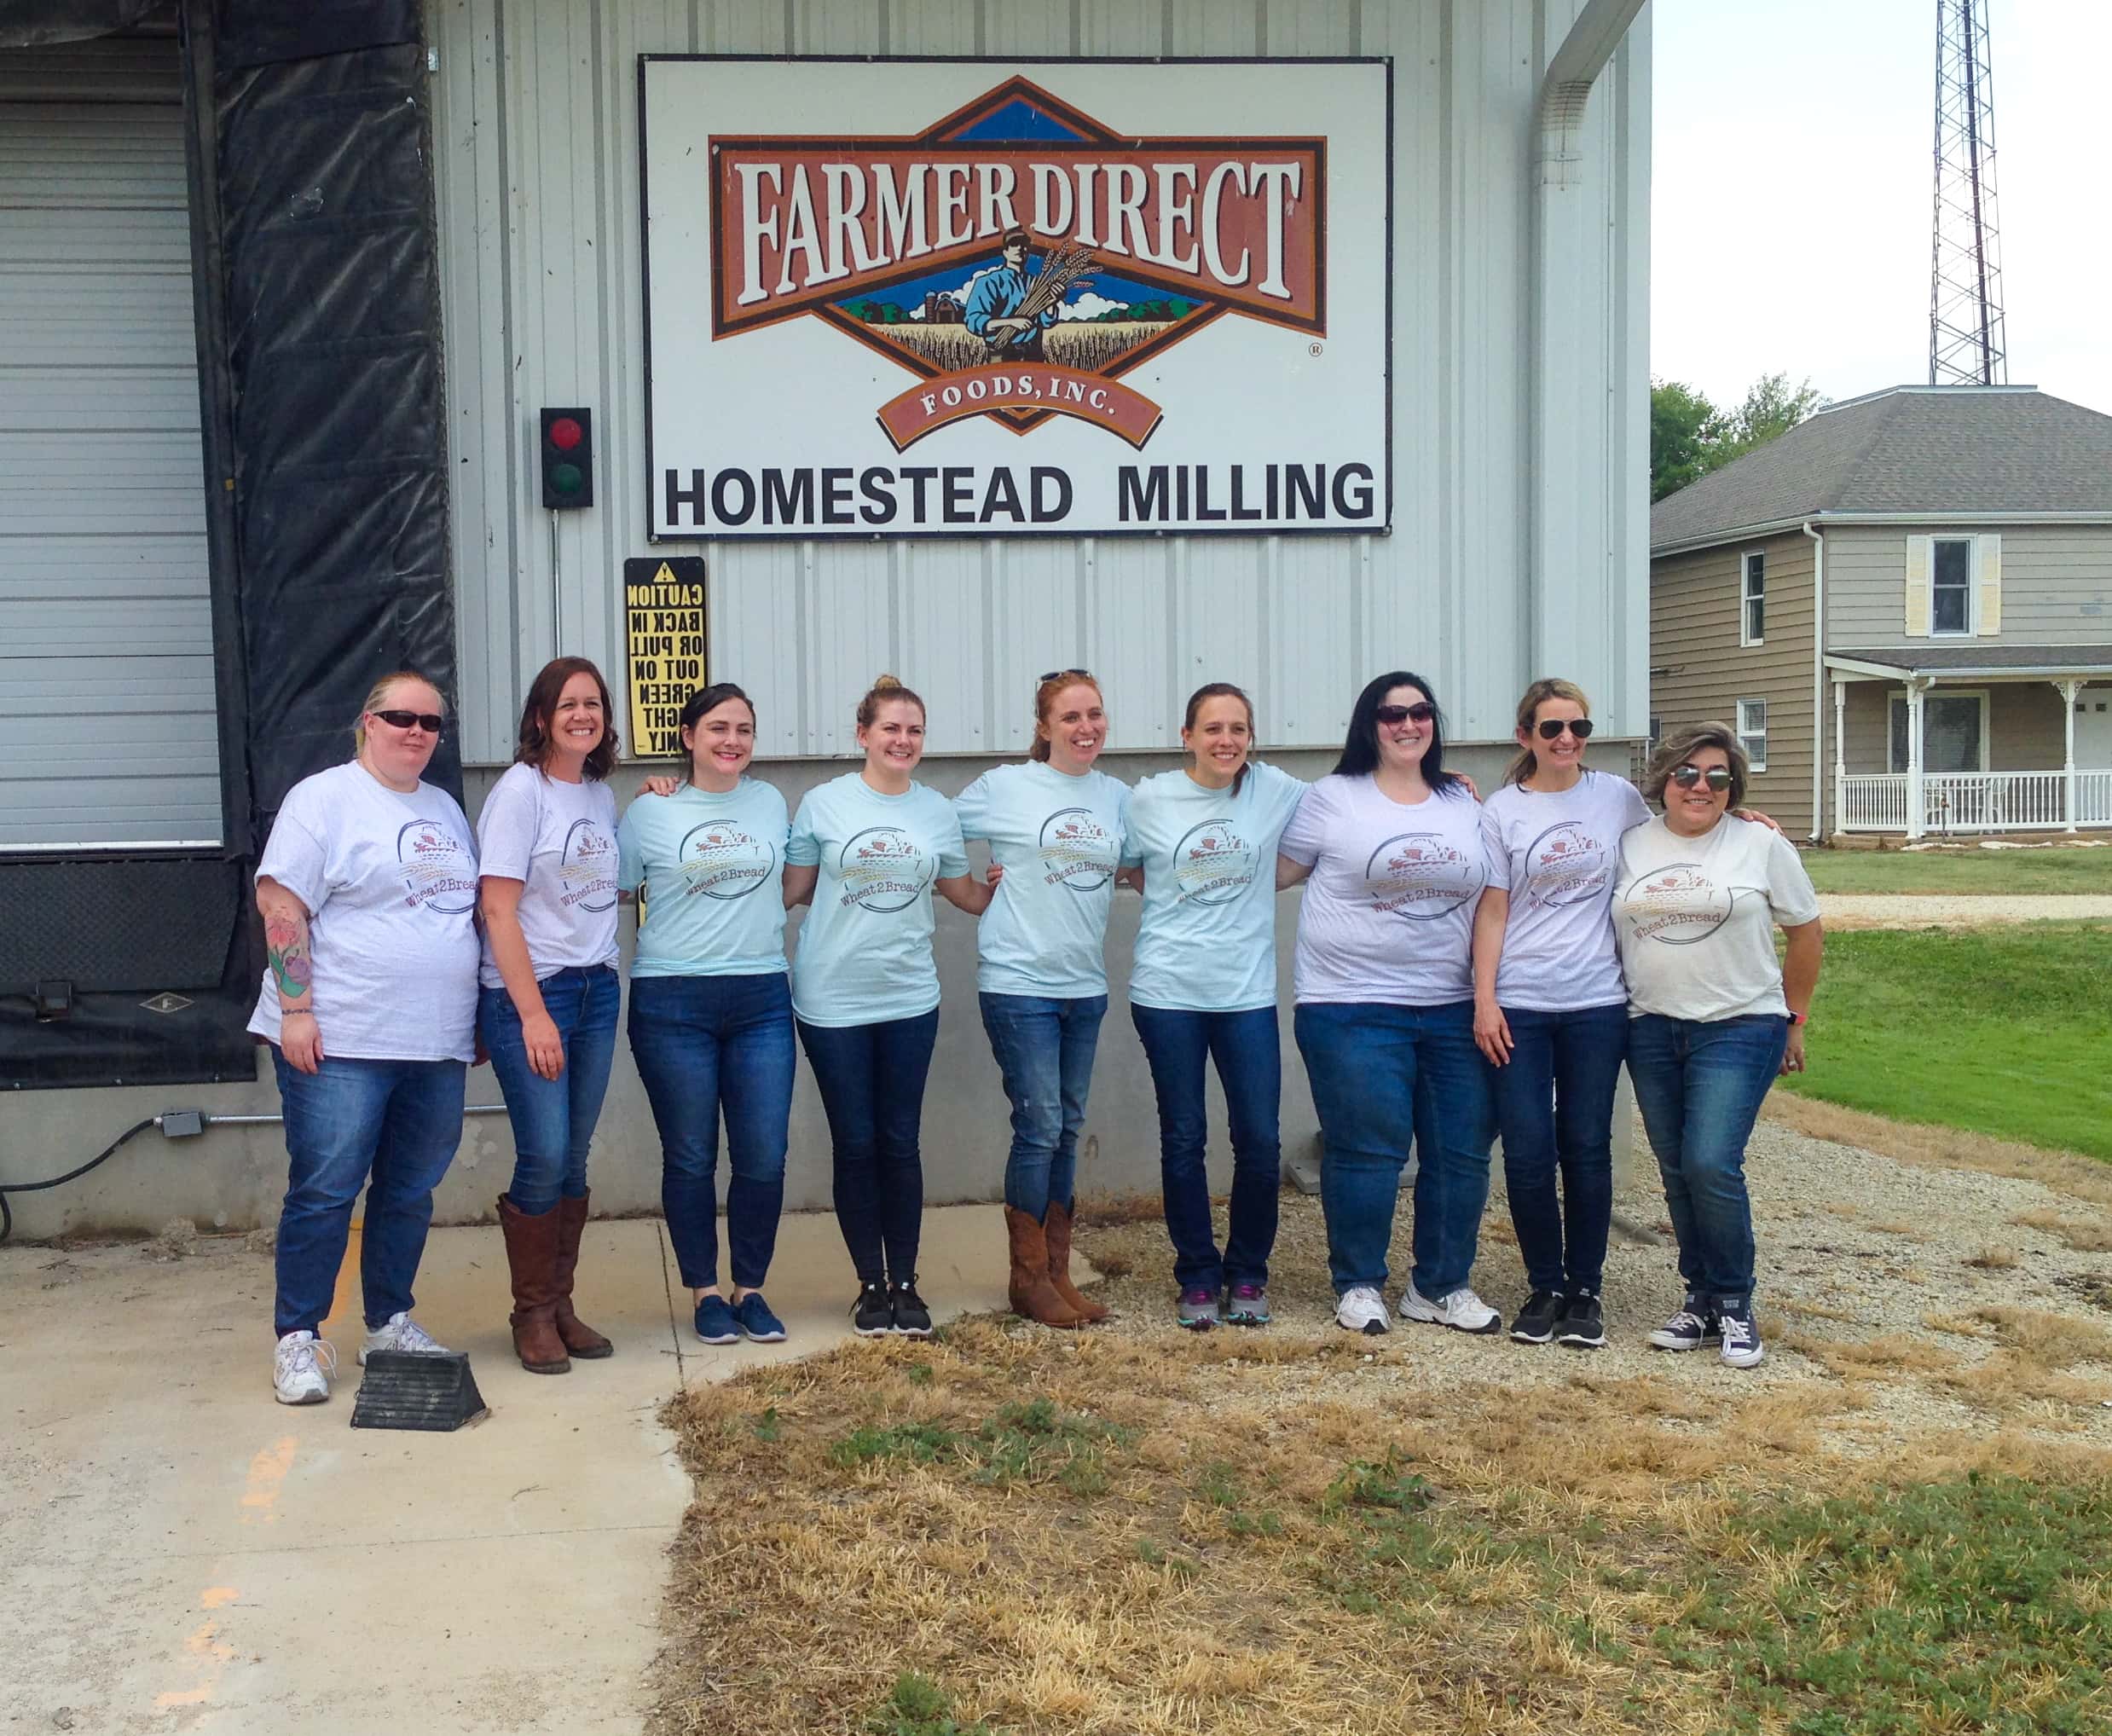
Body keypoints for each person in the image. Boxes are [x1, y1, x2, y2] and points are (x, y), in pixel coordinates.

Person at [251, 672, 479, 1405]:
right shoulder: (324, 798)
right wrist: (296, 1010)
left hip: (434, 1041)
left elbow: (456, 916)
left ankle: (388, 1320)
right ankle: (299, 1338)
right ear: (367, 722)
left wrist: (471, 1018)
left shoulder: (443, 806)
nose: (416, 732)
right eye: (400, 717)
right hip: (343, 1036)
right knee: (324, 1190)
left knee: (410, 1191)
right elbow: (282, 901)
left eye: (430, 723)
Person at [1280, 671, 1499, 1338]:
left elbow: (1497, 887)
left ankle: (1439, 1285)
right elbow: (1272, 871)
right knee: (1367, 1150)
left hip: (1452, 1006)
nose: (1407, 724)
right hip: (1349, 1005)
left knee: (1459, 1151)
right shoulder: (1330, 798)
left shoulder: (1462, 800)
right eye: (1391, 714)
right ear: (1367, 725)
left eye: (1420, 712)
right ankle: (1359, 1284)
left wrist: (1734, 817)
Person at [785, 676, 990, 1338]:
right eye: (890, 729)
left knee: (899, 1142)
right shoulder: (823, 803)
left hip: (908, 997)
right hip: (831, 998)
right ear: (862, 734)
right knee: (856, 1142)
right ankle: (868, 1288)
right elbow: (789, 887)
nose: (902, 741)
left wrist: (1010, 884)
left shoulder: (936, 811)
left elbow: (962, 893)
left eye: (914, 730)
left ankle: (905, 1283)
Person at [1614, 722, 1822, 1370]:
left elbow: (1806, 931)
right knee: (1676, 1168)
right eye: (1686, 774)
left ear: (1732, 787)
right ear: (1663, 779)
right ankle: (1699, 1298)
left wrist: (1795, 1018)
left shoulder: (1758, 843)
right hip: (1649, 1026)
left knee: (1710, 1162)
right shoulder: (1631, 844)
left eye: (1716, 777)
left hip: (1739, 1024)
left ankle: (1735, 1302)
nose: (1699, 787)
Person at [1471, 679, 1649, 1351]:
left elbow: (1672, 842)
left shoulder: (1616, 797)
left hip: (1596, 1002)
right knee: (1524, 1149)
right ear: (1525, 737)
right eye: (1551, 729)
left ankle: (1585, 1290)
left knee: (1585, 1146)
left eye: (1577, 727)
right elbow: (1492, 907)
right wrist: (1484, 999)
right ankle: (1543, 1285)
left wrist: (1740, 818)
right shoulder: (1502, 811)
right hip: (1520, 1003)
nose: (1566, 740)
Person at [1122, 682, 1306, 1329]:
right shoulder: (1147, 799)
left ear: (1250, 737)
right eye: (1212, 729)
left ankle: (1248, 1272)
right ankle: (1198, 1275)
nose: (1225, 740)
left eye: (1237, 729)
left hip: (1245, 995)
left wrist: (1439, 776)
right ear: (1187, 736)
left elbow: (1350, 805)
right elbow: (1123, 867)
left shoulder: (1274, 790)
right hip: (1167, 993)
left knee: (1258, 1140)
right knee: (1184, 1138)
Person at [621, 683, 796, 1349]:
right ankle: (703, 1291)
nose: (732, 740)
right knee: (691, 1155)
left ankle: (749, 1288)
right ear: (688, 736)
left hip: (759, 998)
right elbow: (610, 885)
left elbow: (791, 878)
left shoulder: (770, 802)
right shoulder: (648, 812)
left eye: (744, 729)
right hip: (672, 1001)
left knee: (763, 1155)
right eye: (718, 727)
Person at [955, 669, 1131, 1328]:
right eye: (1070, 717)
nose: (1086, 727)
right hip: (1017, 982)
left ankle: (1058, 1273)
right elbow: (928, 826)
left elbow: (1151, 850)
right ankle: (1027, 1281)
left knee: (1065, 1128)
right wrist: (974, 885)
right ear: (1043, 726)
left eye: (1095, 713)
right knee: (1038, 1126)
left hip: (1083, 986)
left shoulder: (1116, 796)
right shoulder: (1005, 786)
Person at [477, 657, 622, 1374]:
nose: (582, 716)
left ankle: (560, 1303)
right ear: (541, 717)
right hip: (536, 996)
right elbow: (497, 907)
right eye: (567, 705)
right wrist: (531, 1014)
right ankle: (530, 1312)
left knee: (573, 1154)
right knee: (543, 1150)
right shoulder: (519, 792)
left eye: (592, 704)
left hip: (598, 990)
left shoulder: (598, 793)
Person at [963, 230, 1058, 360]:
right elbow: (974, 321)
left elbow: (1047, 322)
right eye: (1014, 244)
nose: (1020, 248)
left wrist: (1052, 301)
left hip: (1034, 353)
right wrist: (1011, 322)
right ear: (1005, 252)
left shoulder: (1037, 283)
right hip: (1001, 354)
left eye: (1024, 245)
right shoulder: (988, 282)